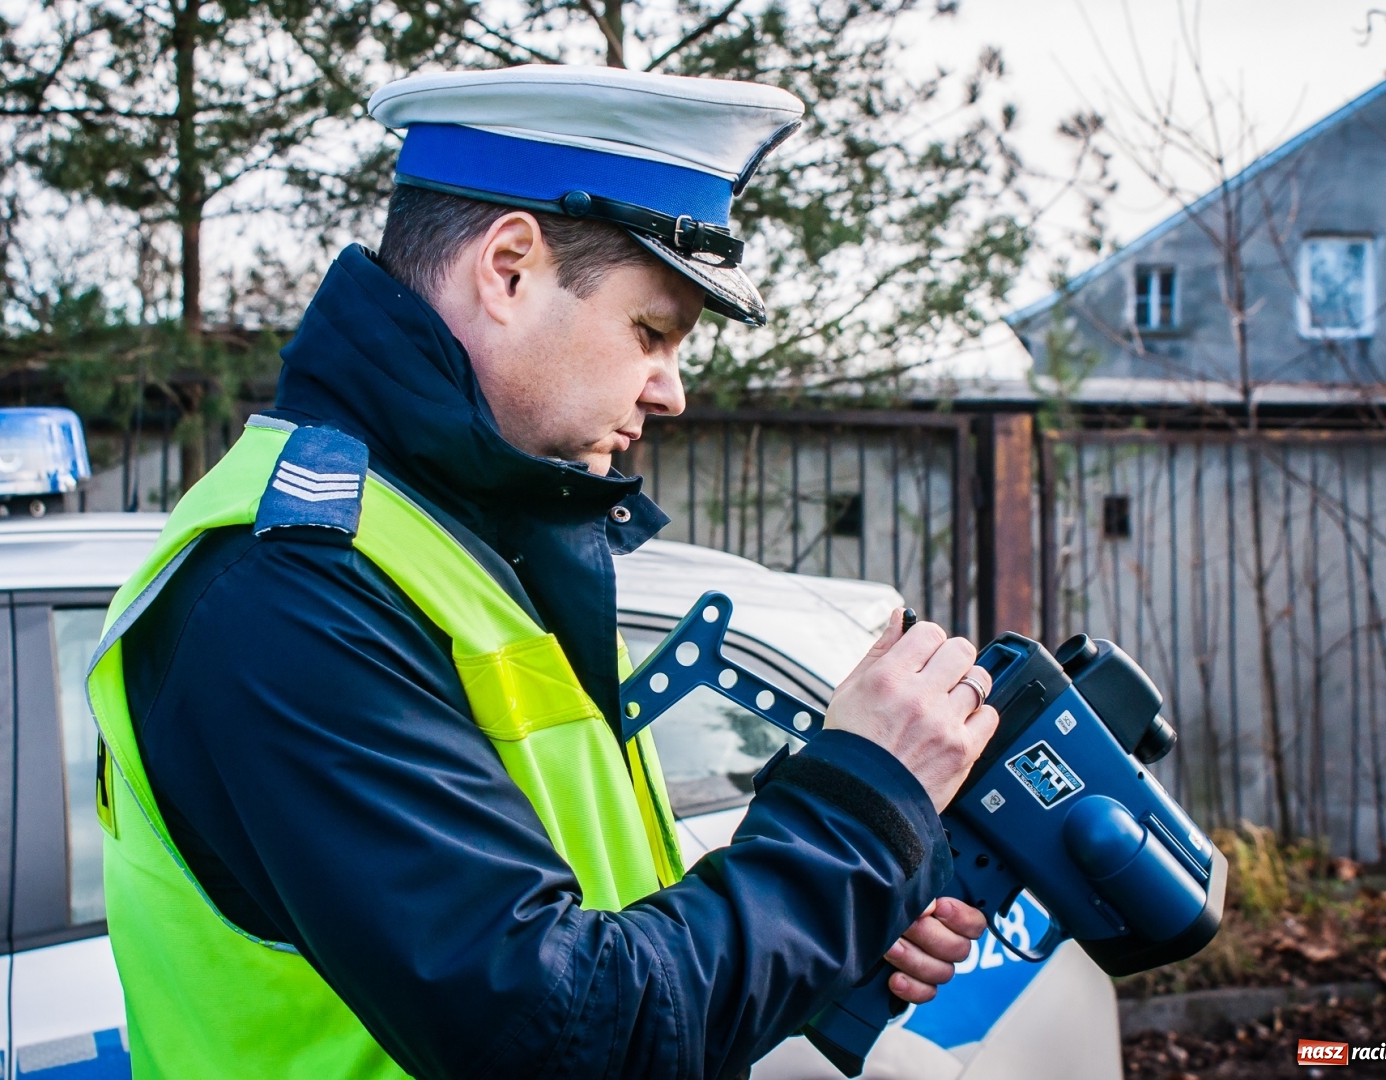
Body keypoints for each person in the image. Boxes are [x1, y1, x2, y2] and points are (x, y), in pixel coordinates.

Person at [84, 65, 1001, 1080]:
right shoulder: (287, 588)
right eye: (651, 332)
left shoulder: (476, 535)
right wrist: (852, 817)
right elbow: (566, 1035)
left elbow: (591, 917)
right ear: (509, 268)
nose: (672, 391)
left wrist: (828, 912)